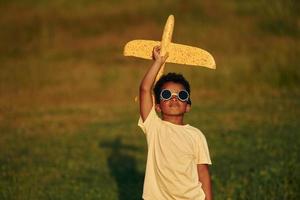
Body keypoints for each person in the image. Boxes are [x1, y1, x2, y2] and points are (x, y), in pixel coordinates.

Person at [138, 46, 213, 200]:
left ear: (188, 106)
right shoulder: (154, 127)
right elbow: (145, 89)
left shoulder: (196, 135)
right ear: (157, 106)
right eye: (166, 94)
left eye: (181, 95)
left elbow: (203, 172)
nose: (174, 98)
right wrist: (158, 62)